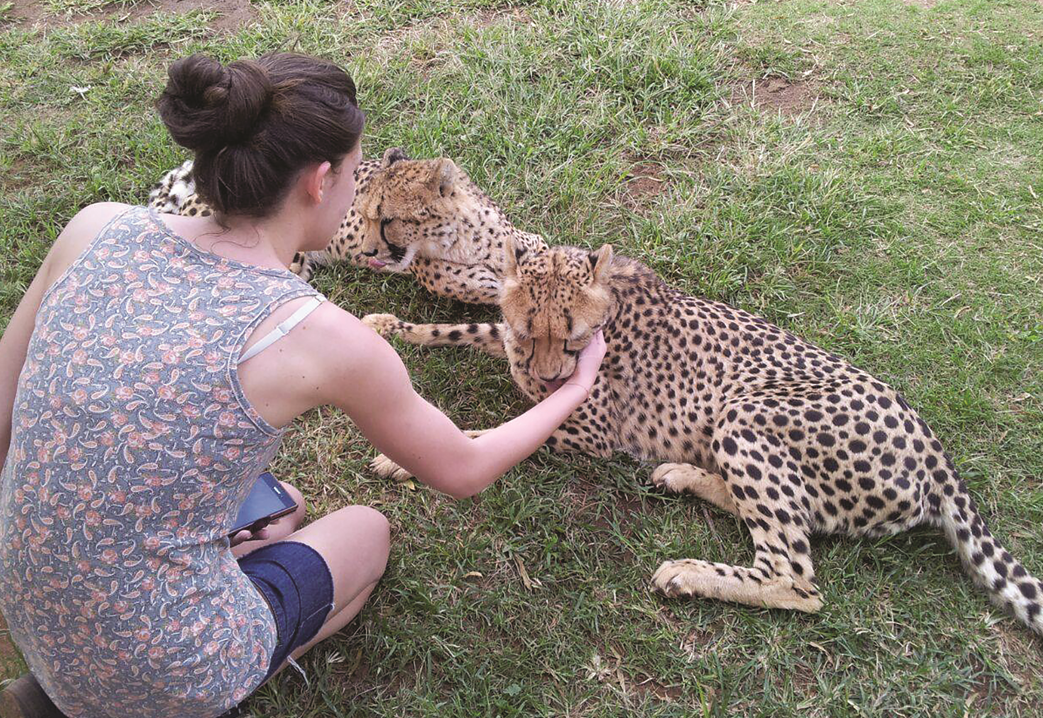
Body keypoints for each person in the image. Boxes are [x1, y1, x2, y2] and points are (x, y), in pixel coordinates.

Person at [0, 53, 606, 718]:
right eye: (358, 174)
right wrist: (574, 386)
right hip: (164, 670)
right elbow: (462, 470)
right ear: (321, 180)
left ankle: (76, 669)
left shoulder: (95, 227)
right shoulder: (319, 335)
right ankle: (157, 689)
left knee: (282, 503)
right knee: (364, 532)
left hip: (22, 596)